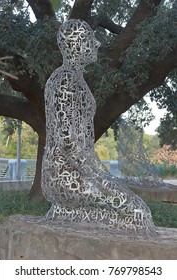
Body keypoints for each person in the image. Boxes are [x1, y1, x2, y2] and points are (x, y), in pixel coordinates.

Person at [41, 19, 156, 235]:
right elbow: (68, 143)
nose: (98, 43)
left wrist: (104, 179)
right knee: (138, 213)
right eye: (91, 39)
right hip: (65, 176)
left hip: (78, 173)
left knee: (136, 211)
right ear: (76, 44)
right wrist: (101, 179)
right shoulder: (65, 81)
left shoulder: (74, 79)